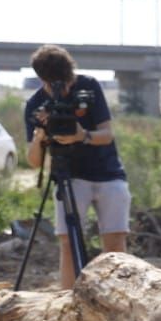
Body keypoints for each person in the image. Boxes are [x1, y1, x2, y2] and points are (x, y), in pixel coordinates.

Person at [23, 44, 131, 289]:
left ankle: (118, 299)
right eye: (56, 85)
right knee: (68, 244)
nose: (65, 89)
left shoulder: (88, 88)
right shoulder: (36, 105)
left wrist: (82, 136)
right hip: (69, 177)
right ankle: (69, 302)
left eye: (67, 82)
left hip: (109, 174)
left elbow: (107, 134)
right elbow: (34, 161)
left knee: (115, 246)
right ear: (43, 80)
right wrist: (40, 138)